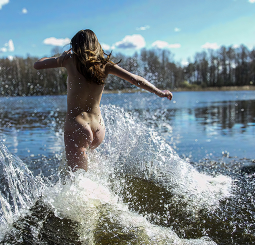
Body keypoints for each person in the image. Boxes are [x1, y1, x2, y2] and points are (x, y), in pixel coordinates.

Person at [34, 29, 173, 172]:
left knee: (75, 179)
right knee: (91, 174)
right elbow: (136, 79)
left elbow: (37, 64)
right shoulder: (105, 64)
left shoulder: (69, 60)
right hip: (98, 128)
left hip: (78, 125)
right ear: (96, 45)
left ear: (75, 46)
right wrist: (158, 91)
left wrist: (61, 56)